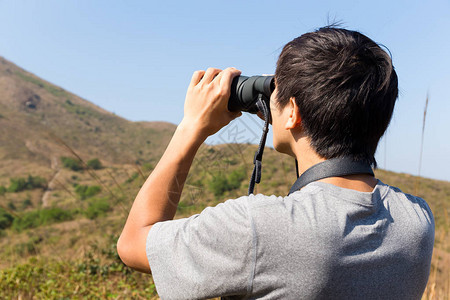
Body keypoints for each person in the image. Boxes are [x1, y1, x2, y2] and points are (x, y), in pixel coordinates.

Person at [117, 26, 435, 299]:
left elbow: (132, 244)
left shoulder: (255, 226)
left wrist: (192, 127)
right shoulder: (416, 219)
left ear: (293, 112)